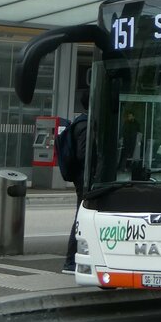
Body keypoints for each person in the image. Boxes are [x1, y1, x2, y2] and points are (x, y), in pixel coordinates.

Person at [63, 88, 89, 275]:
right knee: (81, 217)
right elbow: (83, 154)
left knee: (81, 215)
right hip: (84, 178)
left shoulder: (79, 122)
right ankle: (71, 260)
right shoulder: (86, 124)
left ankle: (74, 259)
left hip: (80, 177)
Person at [118, 109, 140, 174]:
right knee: (125, 155)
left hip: (133, 142)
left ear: (133, 116)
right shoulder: (126, 123)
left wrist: (138, 141)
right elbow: (123, 131)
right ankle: (123, 167)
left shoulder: (136, 124)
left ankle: (130, 167)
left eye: (130, 116)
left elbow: (139, 132)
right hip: (126, 142)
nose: (129, 118)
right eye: (128, 116)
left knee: (132, 155)